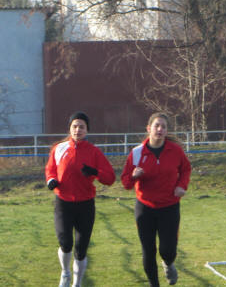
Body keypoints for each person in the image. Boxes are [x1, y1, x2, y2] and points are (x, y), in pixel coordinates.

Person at [45, 111, 116, 287]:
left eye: (82, 127)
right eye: (75, 126)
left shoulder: (94, 152)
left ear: (87, 130)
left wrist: (95, 172)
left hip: (85, 204)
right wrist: (51, 180)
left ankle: (77, 283)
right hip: (63, 202)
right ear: (70, 128)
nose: (78, 130)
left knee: (81, 248)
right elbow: (50, 169)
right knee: (65, 243)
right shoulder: (59, 148)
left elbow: (110, 178)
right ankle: (65, 272)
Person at [121, 112, 191, 286]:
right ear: (148, 129)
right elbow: (126, 183)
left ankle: (168, 263)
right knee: (148, 250)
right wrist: (134, 176)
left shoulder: (175, 151)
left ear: (167, 131)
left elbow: (186, 169)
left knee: (168, 250)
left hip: (169, 206)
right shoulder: (137, 153)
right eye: (156, 126)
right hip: (145, 208)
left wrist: (182, 185)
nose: (160, 129)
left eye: (163, 127)